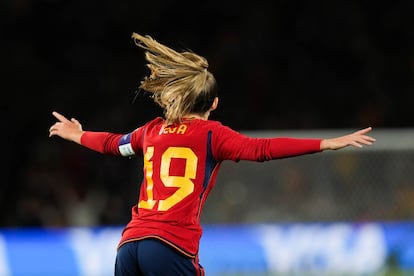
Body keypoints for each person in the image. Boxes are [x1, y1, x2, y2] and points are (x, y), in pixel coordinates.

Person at [49, 32, 376, 276]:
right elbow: (261, 150)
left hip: (129, 246)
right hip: (170, 246)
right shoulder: (211, 134)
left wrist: (78, 135)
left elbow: (113, 144)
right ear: (214, 104)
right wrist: (324, 143)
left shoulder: (151, 130)